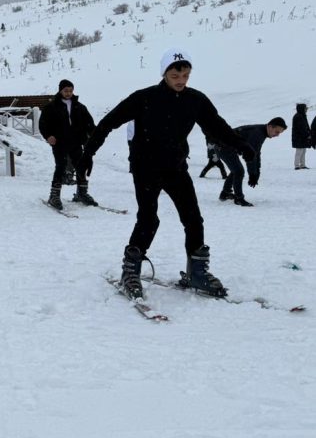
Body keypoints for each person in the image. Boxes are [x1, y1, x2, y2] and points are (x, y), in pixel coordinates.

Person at [80, 48, 255, 298]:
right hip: (146, 167)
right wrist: (88, 153)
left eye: (185, 74)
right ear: (164, 73)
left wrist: (242, 145)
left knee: (193, 218)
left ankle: (196, 272)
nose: (181, 80)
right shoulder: (144, 98)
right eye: (175, 74)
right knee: (149, 219)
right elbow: (109, 122)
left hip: (175, 167)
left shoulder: (196, 100)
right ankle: (130, 271)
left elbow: (217, 126)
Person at [39, 79, 97, 210]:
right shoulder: (51, 107)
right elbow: (43, 124)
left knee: (81, 166)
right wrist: (48, 136)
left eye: (70, 91)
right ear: (60, 90)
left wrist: (93, 135)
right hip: (59, 143)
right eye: (66, 91)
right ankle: (54, 196)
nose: (68, 93)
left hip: (76, 142)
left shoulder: (79, 107)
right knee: (61, 166)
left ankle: (82, 193)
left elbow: (89, 123)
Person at [216, 117, 287, 207]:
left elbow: (256, 153)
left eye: (279, 133)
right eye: (277, 132)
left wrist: (256, 173)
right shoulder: (258, 134)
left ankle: (225, 193)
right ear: (270, 126)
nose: (277, 135)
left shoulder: (261, 132)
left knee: (236, 170)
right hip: (222, 146)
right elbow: (250, 156)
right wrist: (252, 174)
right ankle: (239, 198)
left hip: (226, 146)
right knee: (238, 171)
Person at [292, 103, 310, 169]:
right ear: (302, 109)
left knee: (303, 151)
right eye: (305, 108)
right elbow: (301, 128)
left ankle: (303, 165)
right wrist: (307, 135)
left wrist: (308, 134)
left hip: (302, 137)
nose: (306, 109)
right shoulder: (298, 116)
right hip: (298, 138)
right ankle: (296, 165)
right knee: (299, 151)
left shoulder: (302, 115)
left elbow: (306, 127)